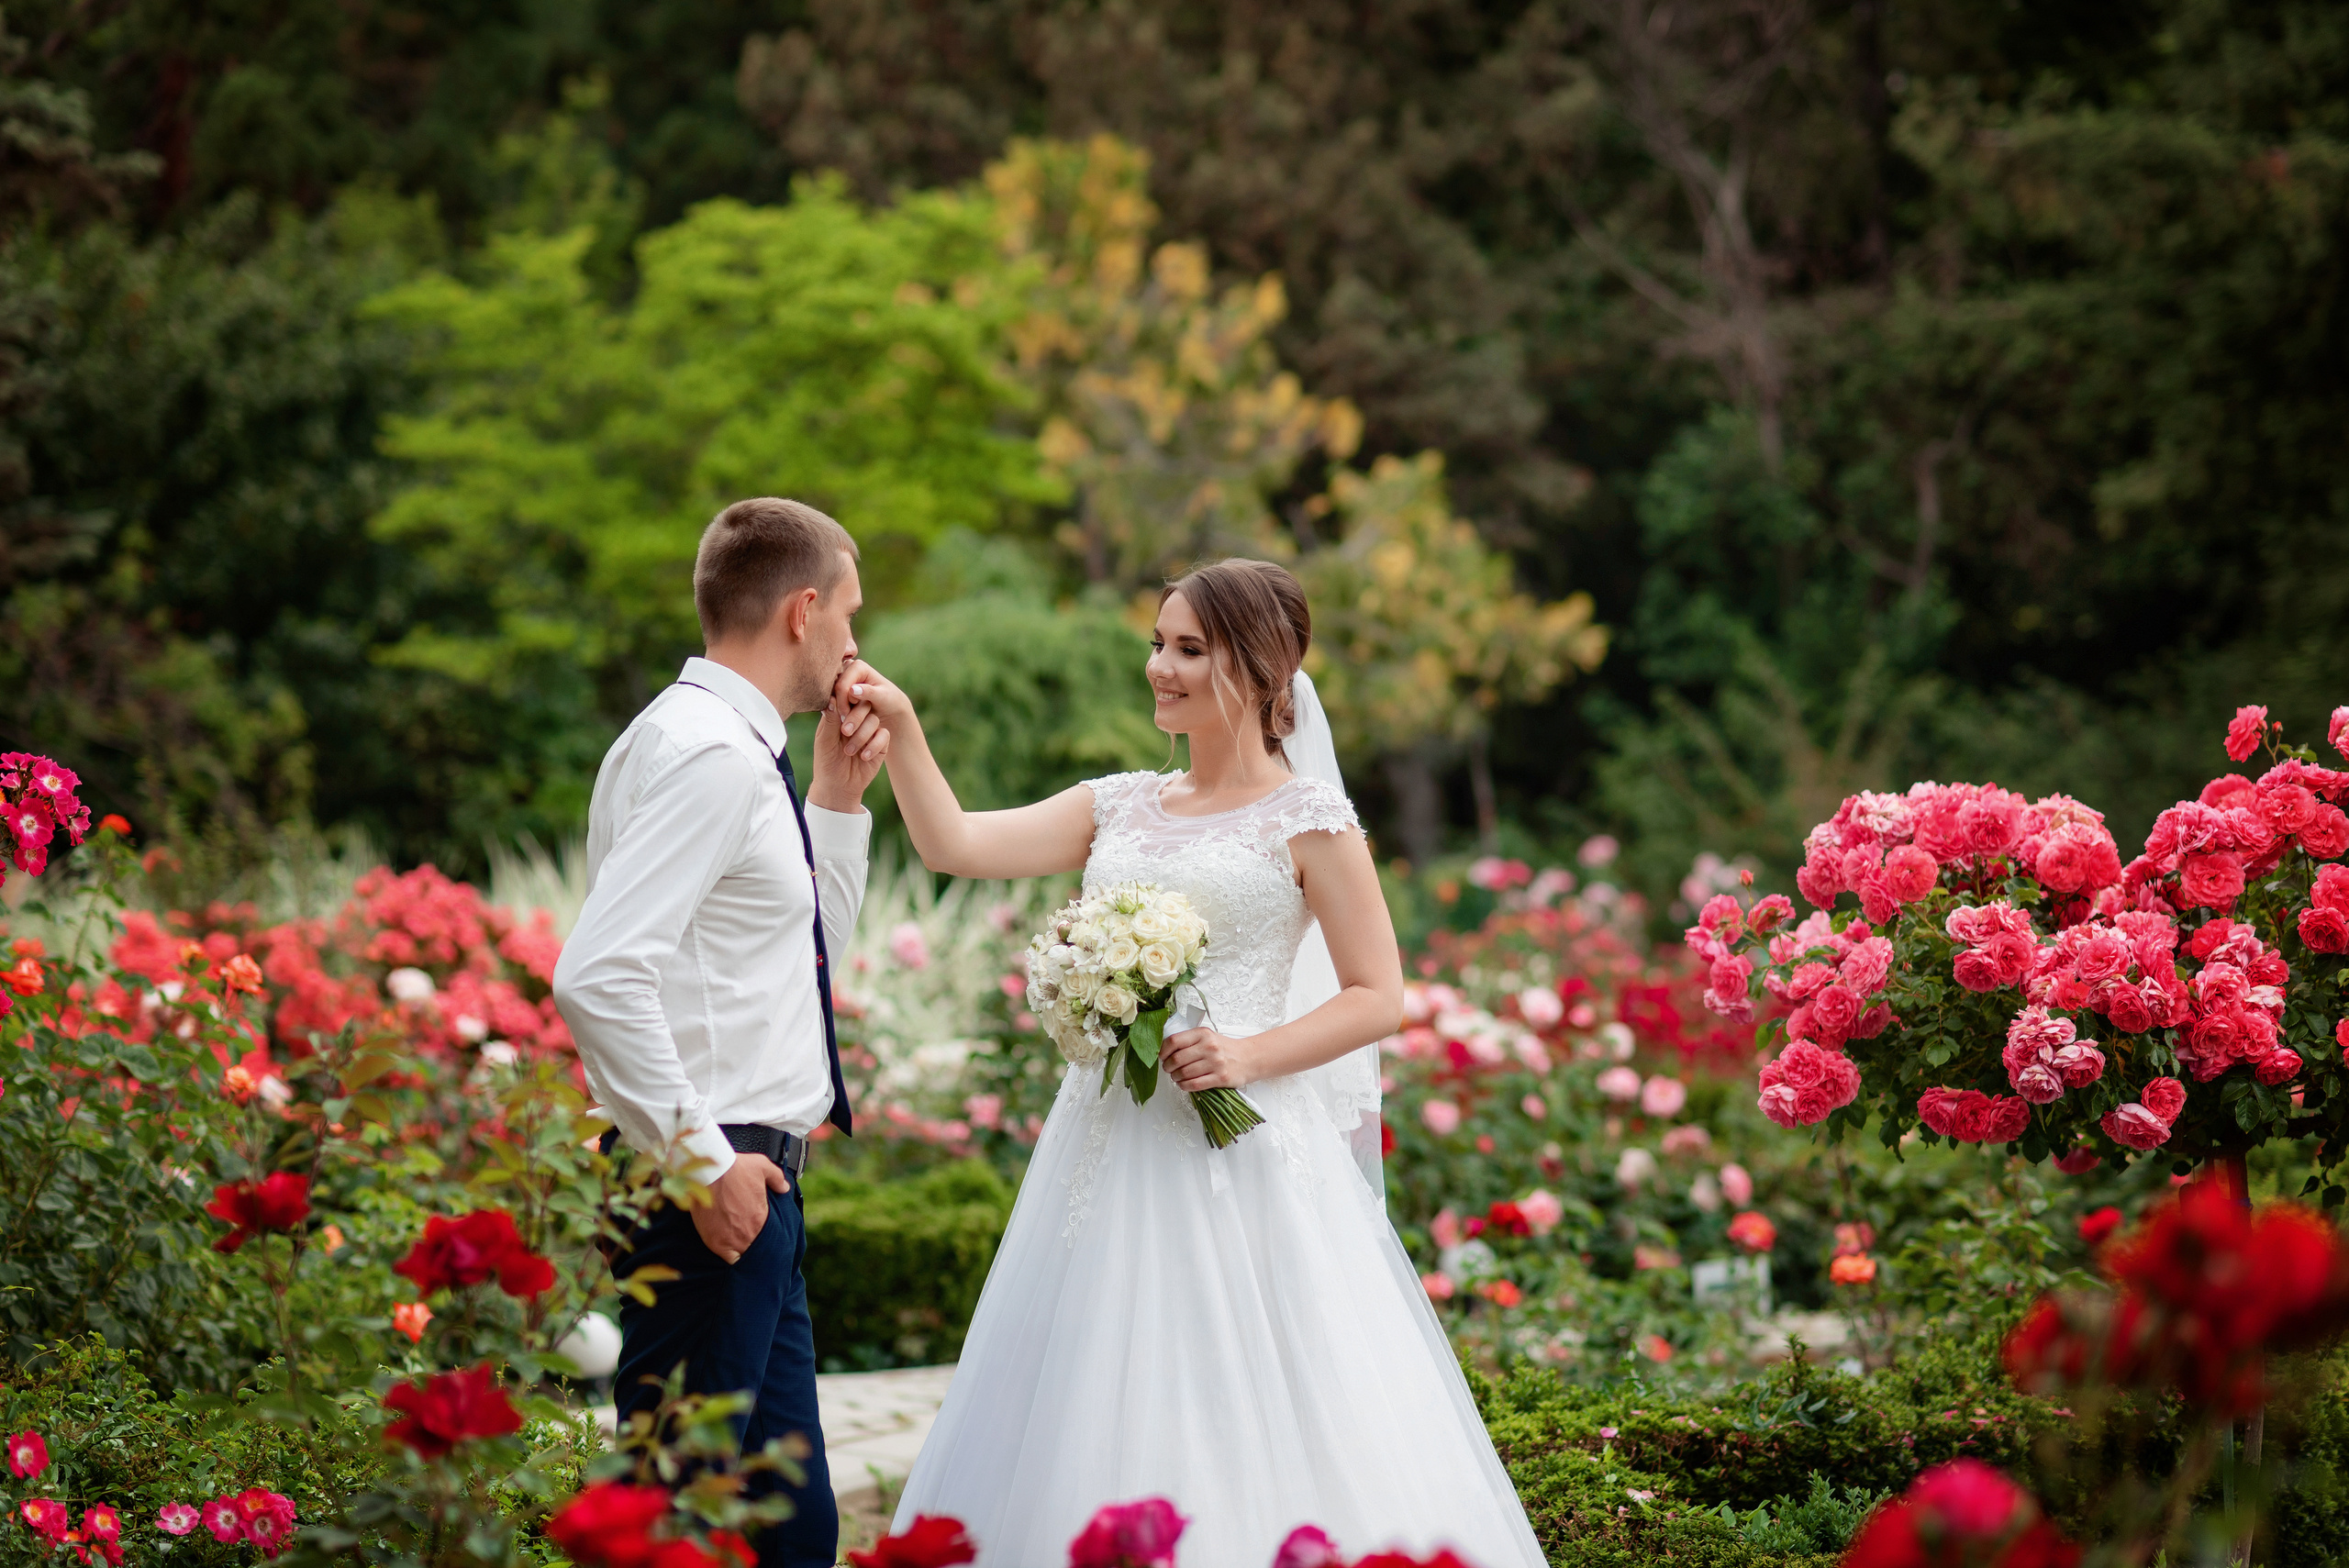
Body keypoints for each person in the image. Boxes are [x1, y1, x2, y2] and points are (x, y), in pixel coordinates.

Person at [837, 559, 1544, 1567]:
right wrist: (902, 727)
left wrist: (1247, 1051)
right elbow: (952, 842)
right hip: (1108, 1143)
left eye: (1187, 648)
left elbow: (1376, 993)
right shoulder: (1118, 803)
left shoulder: (1311, 822)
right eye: (1157, 642)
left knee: (1248, 1390)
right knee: (1088, 1392)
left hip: (1247, 1156)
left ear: (1262, 670)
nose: (1157, 667)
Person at [552, 497, 892, 1568]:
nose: (852, 640)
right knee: (673, 1524)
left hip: (750, 1192)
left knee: (792, 1531)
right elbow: (599, 974)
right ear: (803, 611)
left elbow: (802, 956)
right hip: (713, 1191)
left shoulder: (713, 743)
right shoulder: (711, 755)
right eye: (848, 613)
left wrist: (837, 798)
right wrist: (706, 1166)